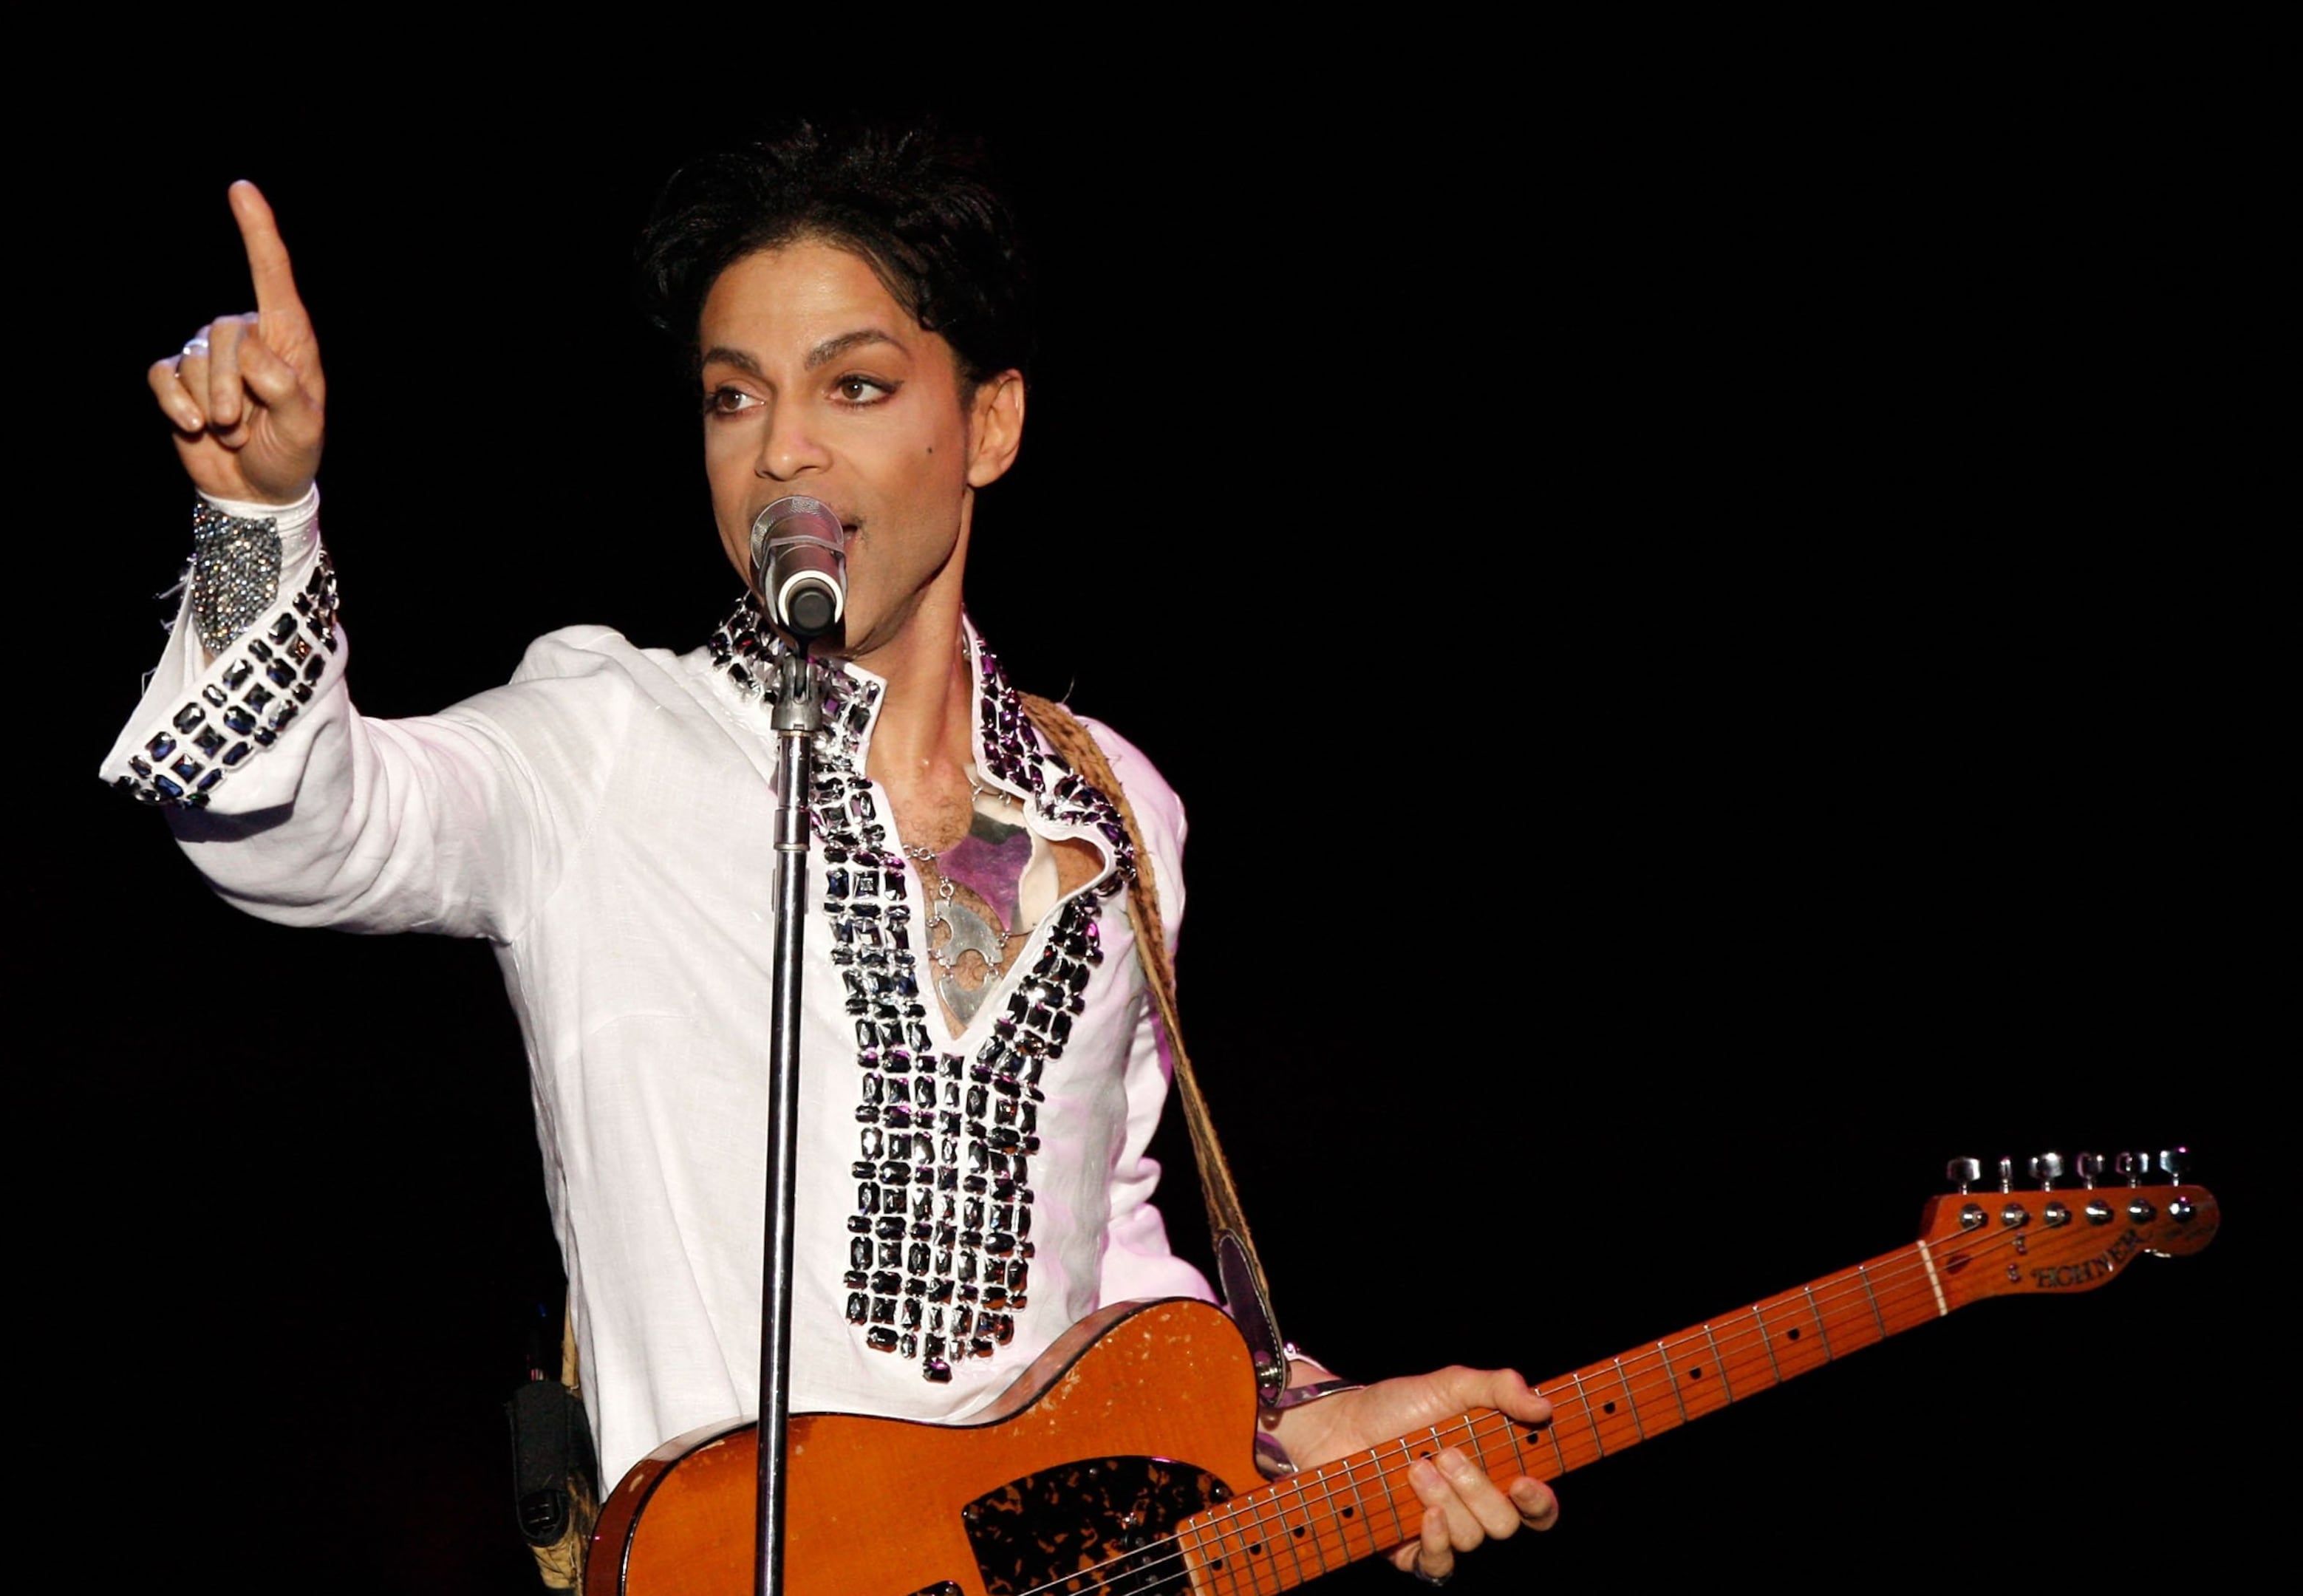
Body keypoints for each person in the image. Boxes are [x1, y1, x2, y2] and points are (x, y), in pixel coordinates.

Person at [104, 122, 1559, 1586]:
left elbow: (1093, 1246)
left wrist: (1303, 1416)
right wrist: (253, 518)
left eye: (854, 387)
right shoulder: (605, 744)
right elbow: (283, 821)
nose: (784, 450)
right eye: (735, 399)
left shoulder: (1114, 807)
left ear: (990, 425)